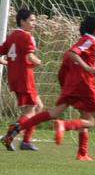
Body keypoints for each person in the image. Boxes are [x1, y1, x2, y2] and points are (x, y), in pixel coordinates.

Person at [6, 15, 95, 165]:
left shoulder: (91, 42)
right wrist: (86, 67)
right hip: (85, 85)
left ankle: (17, 127)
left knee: (54, 112)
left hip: (72, 84)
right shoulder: (90, 40)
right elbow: (72, 53)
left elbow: (91, 62)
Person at [0, 8, 61, 151]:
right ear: (22, 21)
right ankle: (10, 134)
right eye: (31, 20)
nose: (34, 23)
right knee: (30, 111)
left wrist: (5, 62)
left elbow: (2, 51)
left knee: (38, 107)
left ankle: (26, 141)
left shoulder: (12, 35)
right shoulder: (27, 37)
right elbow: (29, 57)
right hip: (25, 78)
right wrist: (39, 62)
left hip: (15, 78)